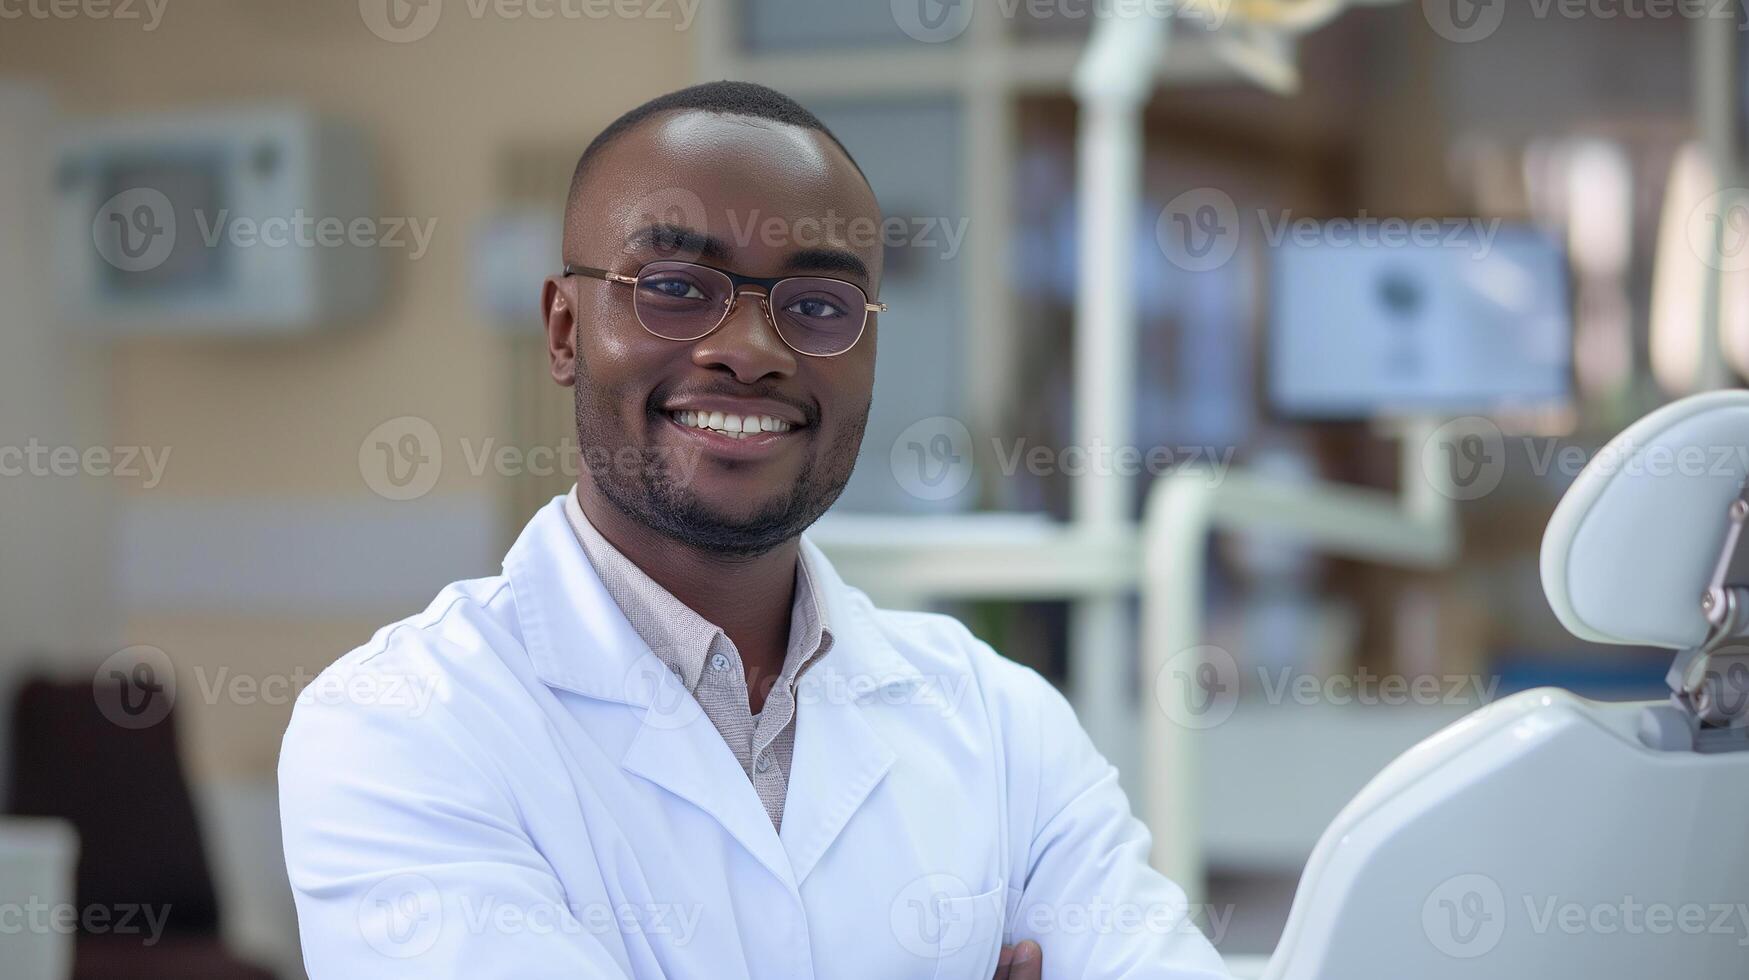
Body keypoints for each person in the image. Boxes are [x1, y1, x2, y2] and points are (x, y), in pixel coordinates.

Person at [279, 80, 1229, 980]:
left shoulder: (1002, 720)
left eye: (817, 306)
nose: (746, 350)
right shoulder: (398, 726)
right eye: (675, 286)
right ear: (565, 331)